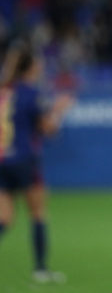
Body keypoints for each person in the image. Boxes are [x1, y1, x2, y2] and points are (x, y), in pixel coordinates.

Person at [0, 41, 73, 283]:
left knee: (5, 219)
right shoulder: (32, 92)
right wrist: (59, 110)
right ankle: (41, 269)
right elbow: (47, 129)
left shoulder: (4, 91)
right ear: (31, 67)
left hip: (2, 160)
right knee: (38, 213)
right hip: (24, 160)